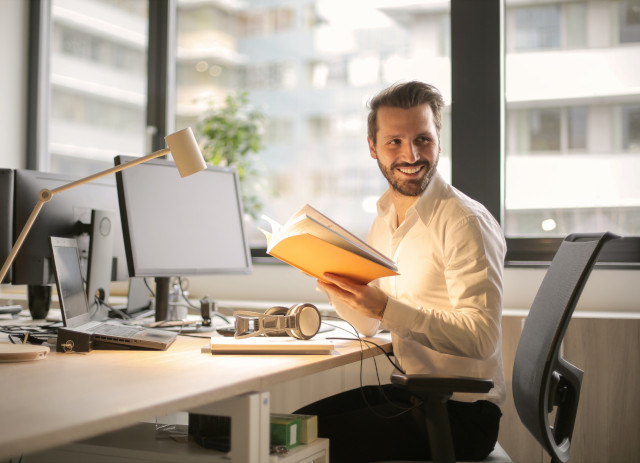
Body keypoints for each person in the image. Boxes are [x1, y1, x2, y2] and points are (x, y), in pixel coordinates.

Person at [295, 81, 506, 462]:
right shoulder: (384, 218)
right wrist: (335, 285)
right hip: (414, 394)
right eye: (394, 142)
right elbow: (368, 326)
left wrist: (384, 308)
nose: (411, 154)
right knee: (293, 426)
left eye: (423, 139)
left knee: (299, 446)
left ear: (438, 139)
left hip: (461, 414)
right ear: (372, 147)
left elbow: (481, 337)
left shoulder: (464, 221)